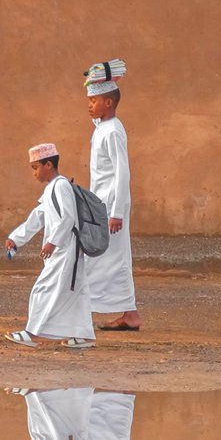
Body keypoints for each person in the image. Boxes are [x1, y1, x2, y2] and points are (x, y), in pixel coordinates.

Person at [3, 144, 96, 349]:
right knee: (77, 291)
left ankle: (32, 333)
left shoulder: (61, 186)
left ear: (48, 164)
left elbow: (68, 217)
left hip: (65, 249)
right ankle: (85, 335)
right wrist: (17, 238)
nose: (34, 173)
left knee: (43, 288)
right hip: (65, 248)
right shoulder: (52, 188)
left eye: (36, 167)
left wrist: (53, 242)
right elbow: (39, 216)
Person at [83, 60, 140, 332]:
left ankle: (82, 309)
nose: (89, 104)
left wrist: (117, 211)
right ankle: (130, 314)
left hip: (110, 206)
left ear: (108, 103)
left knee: (107, 258)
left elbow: (122, 173)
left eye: (94, 100)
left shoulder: (114, 131)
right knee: (114, 258)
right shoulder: (102, 127)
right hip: (100, 204)